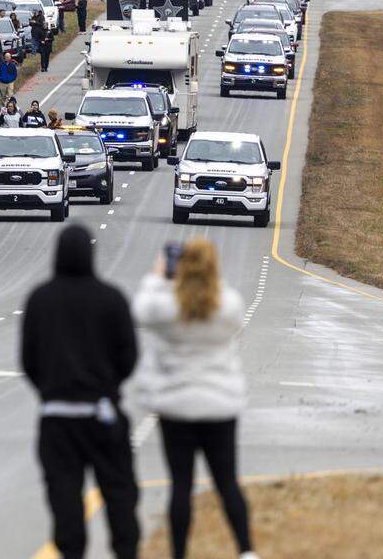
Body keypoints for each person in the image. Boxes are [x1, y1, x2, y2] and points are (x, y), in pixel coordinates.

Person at [131, 240, 257, 559]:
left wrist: (159, 277)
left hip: (177, 408)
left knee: (181, 486)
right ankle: (245, 550)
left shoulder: (168, 306)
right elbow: (234, 315)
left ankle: (179, 553)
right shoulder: (226, 304)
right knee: (227, 482)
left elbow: (141, 309)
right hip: (219, 407)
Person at [21, 225, 140, 559]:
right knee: (119, 493)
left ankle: (72, 551)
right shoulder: (111, 298)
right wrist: (109, 387)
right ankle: (125, 550)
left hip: (57, 418)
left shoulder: (40, 299)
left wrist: (49, 390)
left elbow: (28, 360)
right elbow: (129, 356)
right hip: (102, 414)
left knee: (64, 495)